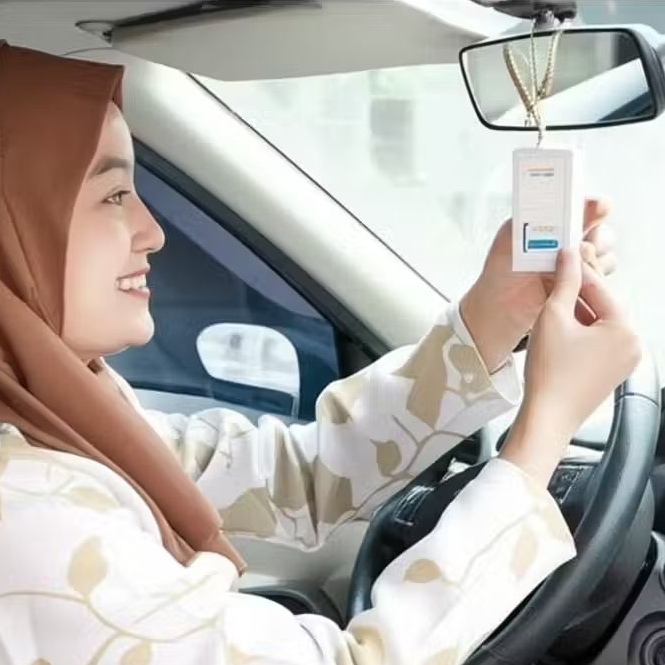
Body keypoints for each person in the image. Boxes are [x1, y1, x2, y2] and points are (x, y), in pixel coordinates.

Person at [0, 41, 639, 665]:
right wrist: (542, 435)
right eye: (113, 195)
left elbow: (298, 480)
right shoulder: (27, 513)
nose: (154, 231)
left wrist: (494, 316)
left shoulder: (63, 416)